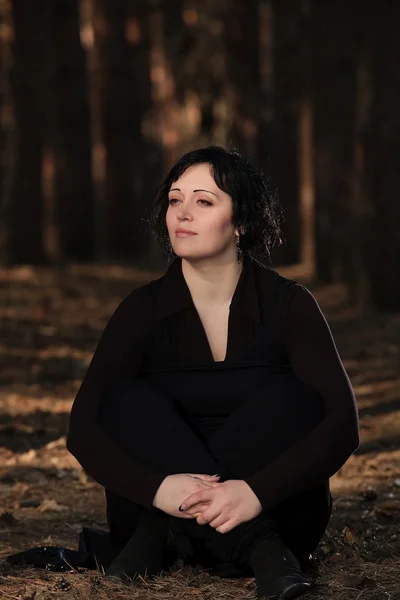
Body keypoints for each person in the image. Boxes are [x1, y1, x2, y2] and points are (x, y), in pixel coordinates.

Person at [66, 146, 359, 599]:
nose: (182, 214)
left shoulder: (290, 305)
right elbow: (82, 430)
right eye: (175, 200)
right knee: (125, 400)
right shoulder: (140, 311)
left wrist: (253, 493)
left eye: (203, 201)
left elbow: (343, 426)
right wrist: (160, 489)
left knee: (293, 400)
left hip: (275, 511)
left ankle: (171, 534)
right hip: (167, 510)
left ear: (241, 221)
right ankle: (252, 546)